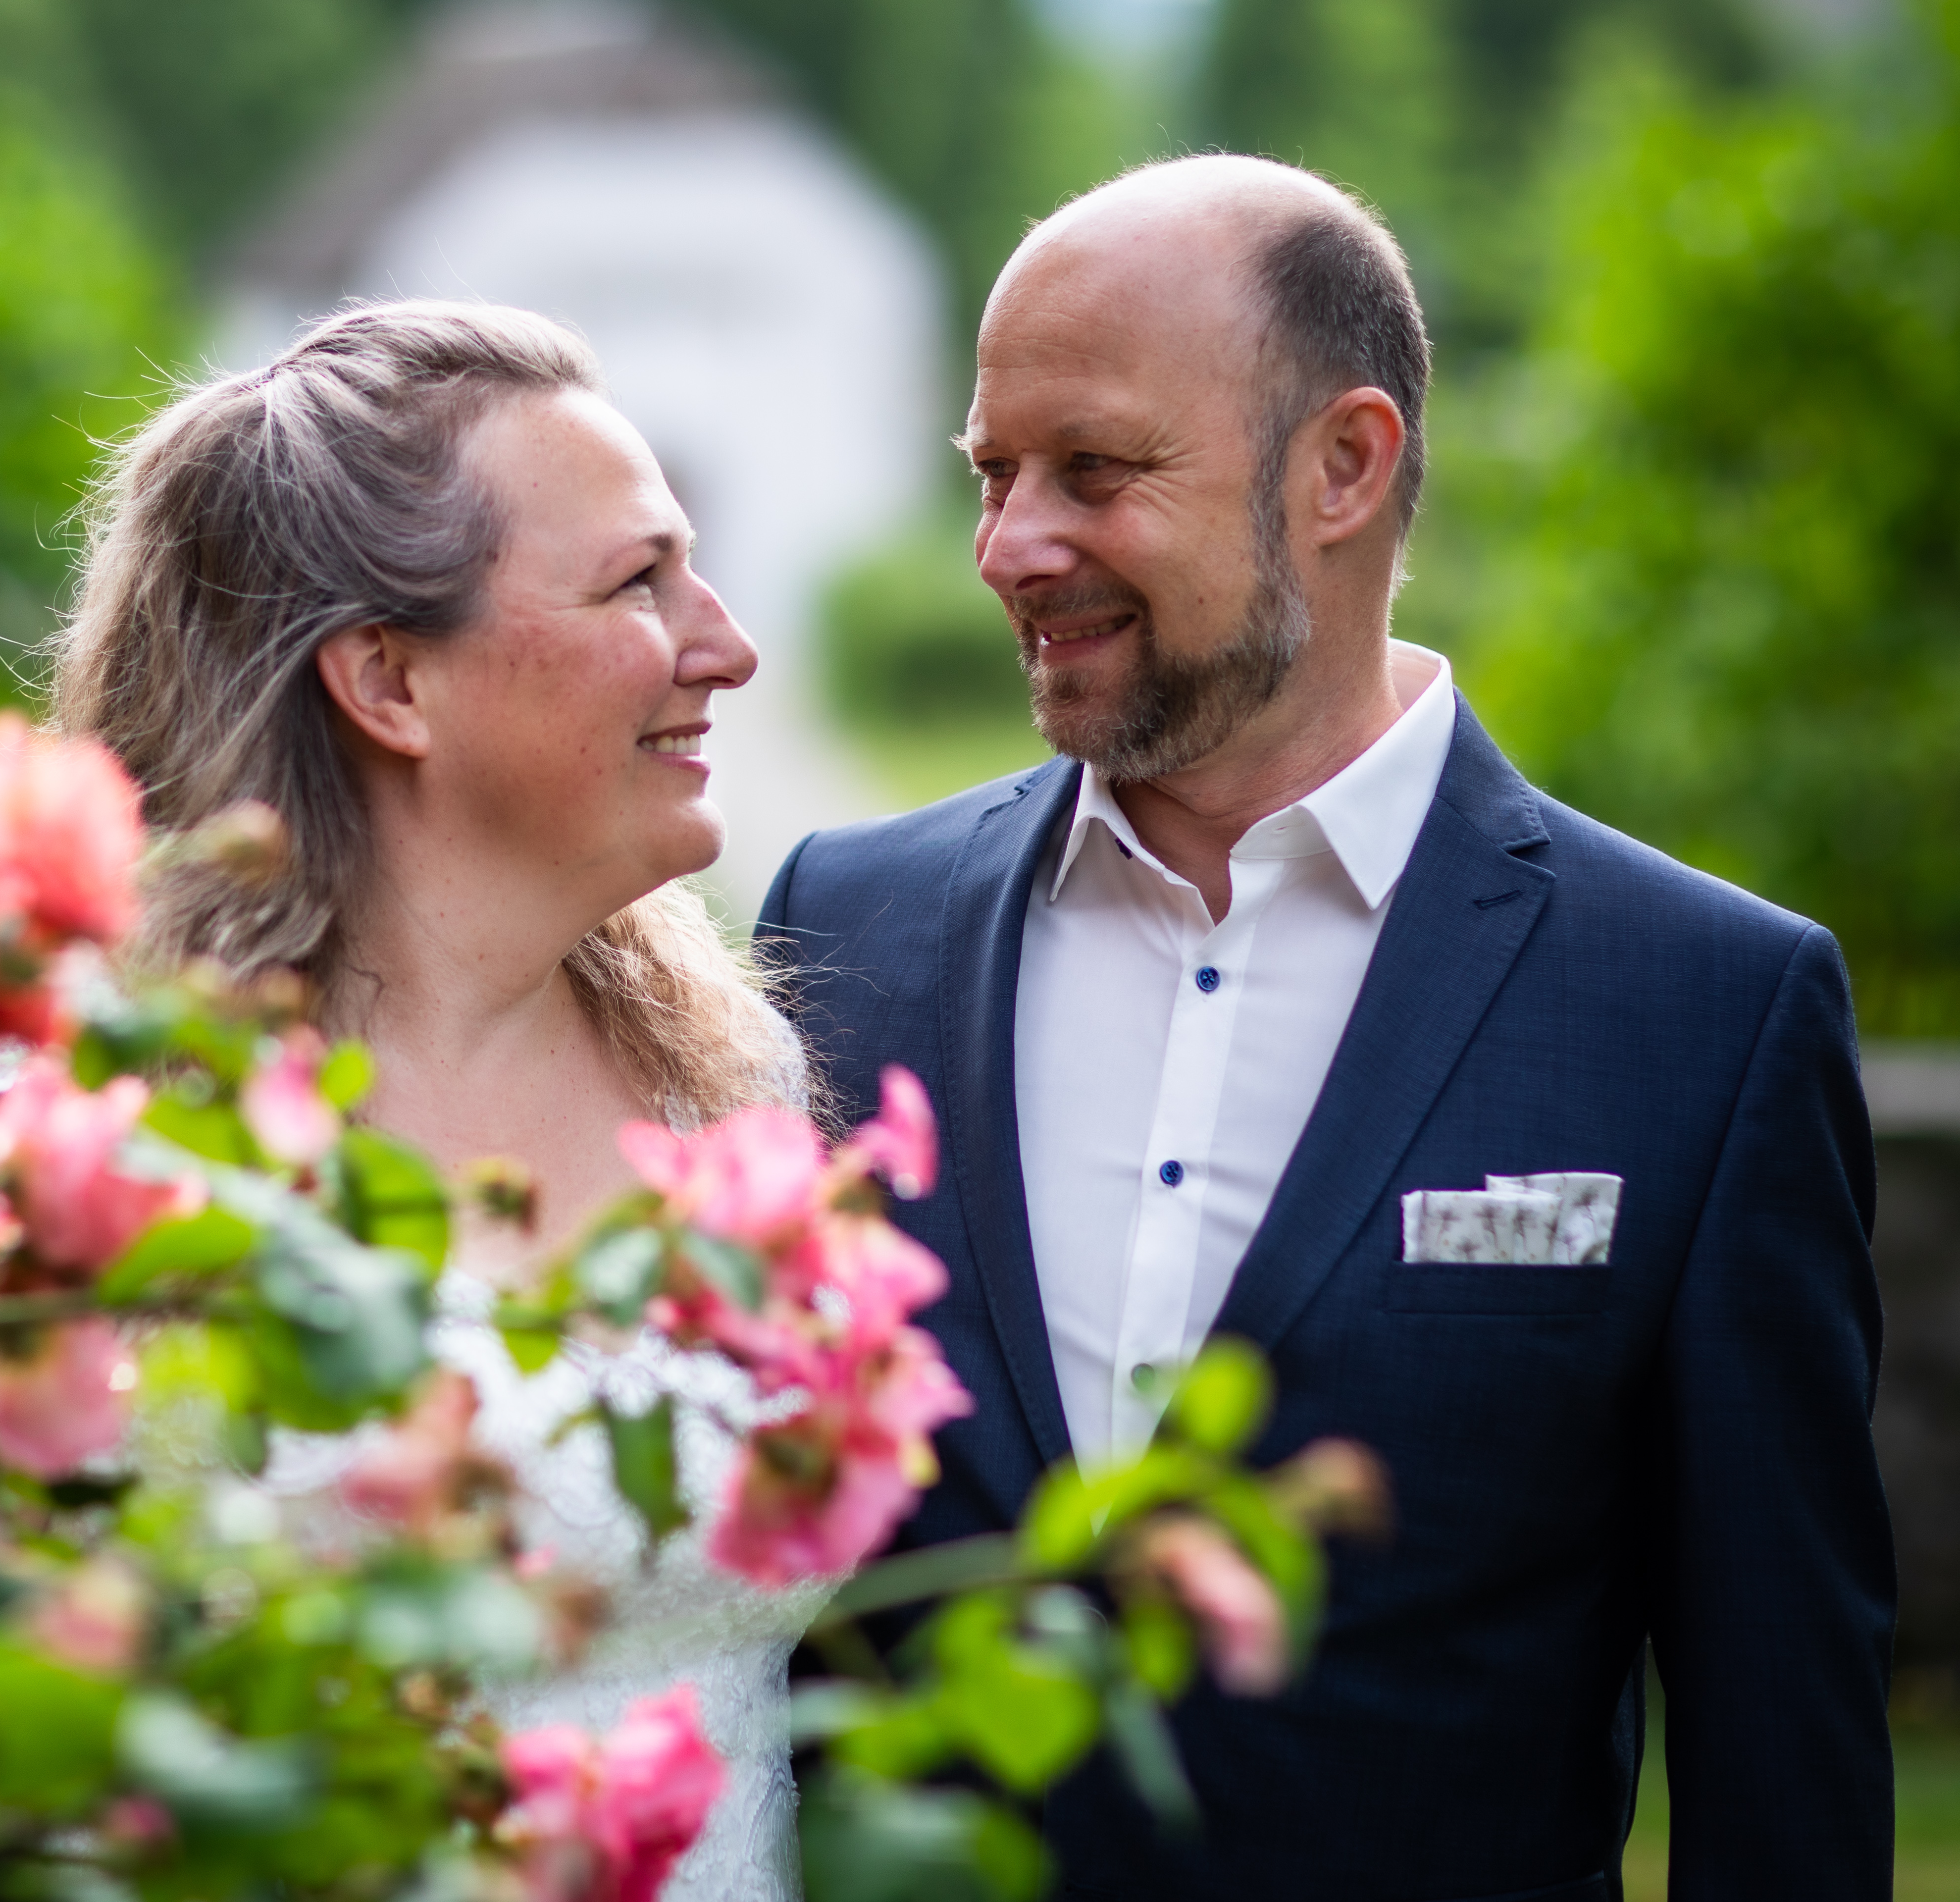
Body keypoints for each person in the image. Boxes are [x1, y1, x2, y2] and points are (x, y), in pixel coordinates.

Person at [758, 156, 1895, 1899]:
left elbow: (1781, 1749)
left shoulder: (1704, 1010)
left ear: (1343, 465)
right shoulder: (844, 926)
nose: (1008, 548)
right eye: (992, 474)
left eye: (1096, 471)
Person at [56, 300, 827, 1901]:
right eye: (639, 583)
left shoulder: (731, 1086)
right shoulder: (110, 1138)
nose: (727, 646)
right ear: (390, 680)